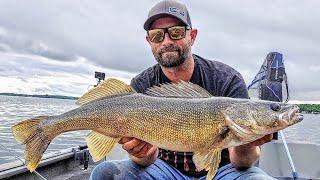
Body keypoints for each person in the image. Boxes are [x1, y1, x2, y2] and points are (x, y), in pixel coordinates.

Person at [90, 0, 275, 179]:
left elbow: (241, 163)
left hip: (223, 171)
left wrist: (246, 143)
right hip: (163, 169)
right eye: (157, 35)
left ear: (192, 36)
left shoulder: (227, 79)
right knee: (104, 173)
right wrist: (141, 152)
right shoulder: (141, 85)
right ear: (149, 41)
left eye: (176, 32)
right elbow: (145, 161)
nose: (166, 41)